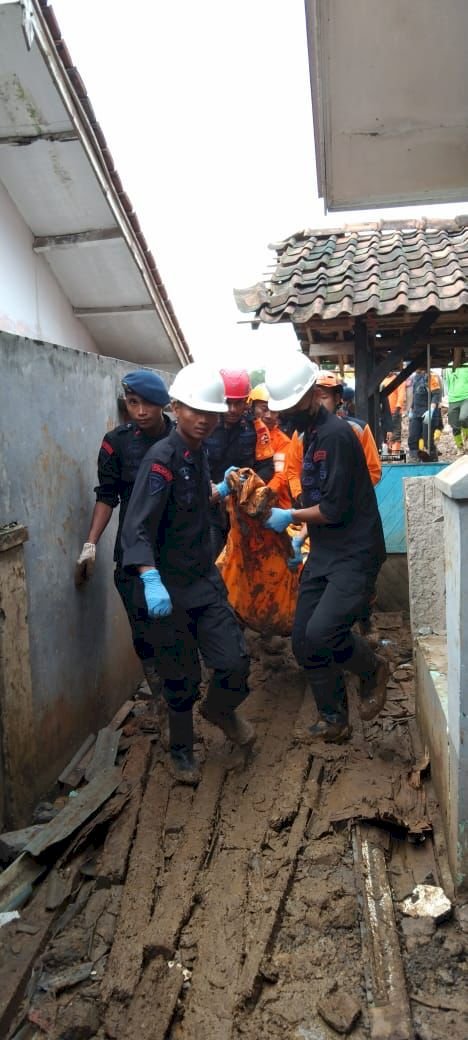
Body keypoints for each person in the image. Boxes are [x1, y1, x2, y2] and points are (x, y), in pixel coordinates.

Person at [120, 362, 254, 783]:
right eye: (194, 410)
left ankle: (218, 711)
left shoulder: (200, 454)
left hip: (203, 580)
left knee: (234, 661)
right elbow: (136, 524)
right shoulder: (161, 459)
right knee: (180, 677)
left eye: (210, 413)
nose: (203, 419)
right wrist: (148, 575)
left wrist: (218, 490)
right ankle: (181, 751)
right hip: (169, 587)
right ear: (176, 408)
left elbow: (193, 505)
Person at [262, 352, 389, 743]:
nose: (284, 415)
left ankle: (372, 670)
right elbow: (312, 487)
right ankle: (334, 720)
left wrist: (291, 517)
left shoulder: (336, 436)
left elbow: (333, 508)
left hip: (355, 551)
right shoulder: (309, 435)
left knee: (323, 632)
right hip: (326, 550)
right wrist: (301, 537)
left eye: (291, 406)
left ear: (313, 396)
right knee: (302, 640)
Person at [75, 369, 173, 702]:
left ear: (163, 404)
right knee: (143, 630)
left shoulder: (181, 439)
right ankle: (161, 697)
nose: (141, 411)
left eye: (147, 403)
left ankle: (180, 697)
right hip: (132, 555)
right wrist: (90, 545)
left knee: (177, 629)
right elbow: (107, 496)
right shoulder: (116, 443)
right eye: (133, 403)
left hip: (175, 551)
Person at [205, 369, 274, 556]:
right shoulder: (204, 422)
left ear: (247, 402)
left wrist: (244, 486)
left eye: (239, 403)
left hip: (241, 506)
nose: (233, 409)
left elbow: (267, 467)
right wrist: (215, 489)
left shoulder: (257, 428)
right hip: (207, 504)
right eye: (228, 403)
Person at [314, 371, 381, 485]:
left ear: (337, 398)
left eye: (324, 397)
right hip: (313, 501)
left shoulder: (358, 429)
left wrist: (348, 494)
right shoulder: (302, 434)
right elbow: (293, 472)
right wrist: (302, 496)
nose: (319, 403)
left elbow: (373, 470)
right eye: (315, 398)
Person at [248, 383, 292, 506]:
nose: (268, 415)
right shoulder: (243, 433)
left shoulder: (283, 441)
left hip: (274, 504)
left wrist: (262, 495)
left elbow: (280, 475)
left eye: (273, 411)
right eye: (264, 409)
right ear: (252, 407)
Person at [407, 367, 442, 461]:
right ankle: (414, 458)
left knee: (427, 440)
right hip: (416, 412)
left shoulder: (431, 376)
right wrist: (411, 409)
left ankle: (433, 460)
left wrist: (431, 409)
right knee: (413, 438)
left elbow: (436, 394)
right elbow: (415, 395)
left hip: (428, 412)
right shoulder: (415, 377)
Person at [446, 357, 468, 454]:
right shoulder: (447, 367)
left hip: (466, 396)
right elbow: (448, 383)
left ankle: (466, 440)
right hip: (453, 399)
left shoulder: (467, 365)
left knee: (463, 418)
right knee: (454, 425)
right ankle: (460, 447)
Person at [381, 371, 406, 452]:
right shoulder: (382, 380)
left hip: (395, 411)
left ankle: (395, 454)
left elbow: (401, 395)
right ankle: (387, 452)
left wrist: (397, 409)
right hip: (384, 412)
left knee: (395, 433)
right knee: (385, 434)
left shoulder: (398, 380)